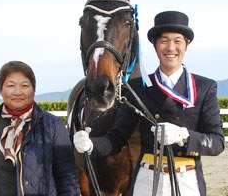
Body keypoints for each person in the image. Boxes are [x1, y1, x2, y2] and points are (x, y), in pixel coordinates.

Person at [73, 11, 225, 196]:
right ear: (154, 45)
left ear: (187, 45)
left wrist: (183, 137)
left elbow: (217, 142)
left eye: (178, 41)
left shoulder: (204, 87)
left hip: (186, 179)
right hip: (147, 178)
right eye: (164, 41)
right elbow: (116, 138)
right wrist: (91, 145)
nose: (170, 47)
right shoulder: (138, 87)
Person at [0, 60, 80, 196]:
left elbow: (67, 178)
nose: (17, 92)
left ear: (34, 89)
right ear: (0, 89)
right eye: (10, 85)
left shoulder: (52, 125)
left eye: (24, 85)